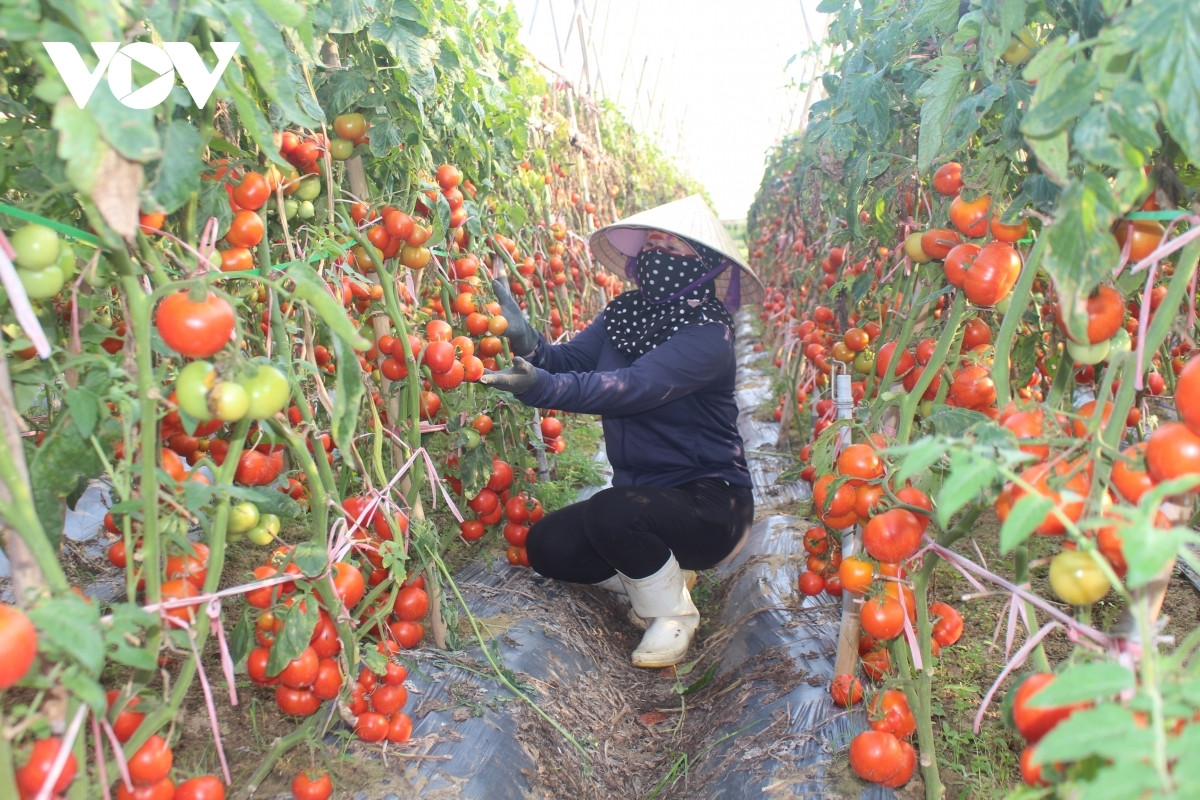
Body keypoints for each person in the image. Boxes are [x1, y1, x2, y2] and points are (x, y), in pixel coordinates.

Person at [479, 195, 763, 668]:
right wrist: (527, 340)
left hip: (711, 505)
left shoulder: (707, 336)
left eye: (673, 250)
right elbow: (568, 361)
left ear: (705, 266)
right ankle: (662, 573)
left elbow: (632, 387)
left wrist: (543, 387)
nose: (657, 255)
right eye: (652, 245)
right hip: (643, 498)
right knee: (547, 546)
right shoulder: (625, 314)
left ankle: (672, 613)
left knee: (613, 513)